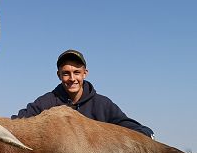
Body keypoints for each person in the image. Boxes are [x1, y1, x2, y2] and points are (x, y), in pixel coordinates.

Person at [11, 49, 154, 138]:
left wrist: (146, 133)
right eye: (66, 73)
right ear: (58, 75)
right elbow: (19, 121)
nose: (72, 79)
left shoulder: (102, 104)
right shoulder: (46, 102)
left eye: (77, 73)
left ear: (85, 74)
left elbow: (124, 123)